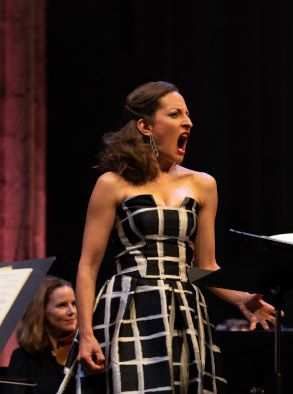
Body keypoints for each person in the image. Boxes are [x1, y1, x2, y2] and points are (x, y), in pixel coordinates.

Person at [61, 81, 276, 393]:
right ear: (146, 126)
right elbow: (88, 266)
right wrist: (87, 333)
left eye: (187, 114)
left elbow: (205, 266)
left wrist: (243, 299)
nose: (187, 122)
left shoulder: (203, 184)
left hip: (184, 310)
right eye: (175, 114)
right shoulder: (113, 183)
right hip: (130, 306)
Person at [5, 275, 77, 394]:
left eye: (73, 304)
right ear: (41, 310)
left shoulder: (79, 351)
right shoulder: (23, 358)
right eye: (62, 305)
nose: (72, 311)